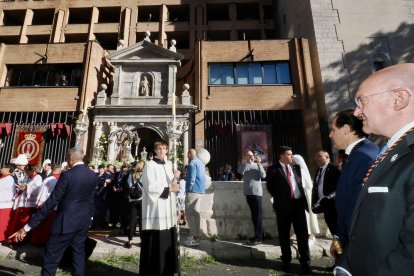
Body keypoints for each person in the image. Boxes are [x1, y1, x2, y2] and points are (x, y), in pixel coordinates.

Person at [333, 63, 414, 276]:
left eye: (362, 101)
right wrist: (346, 264)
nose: (357, 112)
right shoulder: (393, 149)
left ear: (399, 99)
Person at [9, 148, 97, 276]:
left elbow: (52, 202)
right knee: (78, 257)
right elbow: (91, 199)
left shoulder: (68, 175)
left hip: (64, 223)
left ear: (71, 159)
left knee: (51, 259)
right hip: (82, 222)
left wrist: (28, 226)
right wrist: (90, 219)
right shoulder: (92, 174)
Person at [329, 109, 378, 259]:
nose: (330, 135)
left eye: (333, 129)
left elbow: (357, 207)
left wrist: (340, 241)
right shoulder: (357, 154)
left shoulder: (363, 157)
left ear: (346, 129)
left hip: (359, 244)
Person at [265, 146, 312, 275]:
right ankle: (286, 262)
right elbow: (270, 188)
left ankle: (306, 264)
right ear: (281, 156)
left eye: (292, 154)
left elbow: (301, 184)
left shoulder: (296, 168)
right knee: (284, 236)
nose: (292, 157)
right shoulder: (273, 170)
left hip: (298, 205)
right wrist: (282, 199)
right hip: (283, 207)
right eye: (289, 154)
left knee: (302, 236)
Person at [140, 141, 180, 276]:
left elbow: (172, 184)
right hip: (155, 209)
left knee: (167, 238)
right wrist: (169, 189)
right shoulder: (150, 166)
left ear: (167, 150)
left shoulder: (169, 165)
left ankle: (167, 271)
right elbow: (149, 187)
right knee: (156, 241)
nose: (162, 151)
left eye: (164, 148)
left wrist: (175, 179)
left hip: (167, 210)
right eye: (159, 149)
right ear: (155, 151)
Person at [237, 149, 266, 246]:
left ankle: (258, 238)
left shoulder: (257, 165)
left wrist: (259, 164)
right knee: (254, 216)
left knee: (258, 216)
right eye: (248, 155)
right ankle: (260, 235)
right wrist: (247, 162)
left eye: (251, 155)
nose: (250, 157)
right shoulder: (244, 165)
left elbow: (263, 175)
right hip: (248, 193)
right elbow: (240, 172)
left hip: (257, 194)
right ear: (245, 156)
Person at [312, 150, 341, 237]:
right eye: (316, 156)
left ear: (327, 157)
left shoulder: (334, 169)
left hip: (334, 205)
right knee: (333, 230)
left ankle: (342, 249)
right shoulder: (318, 170)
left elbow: (339, 187)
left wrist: (328, 198)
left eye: (320, 156)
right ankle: (338, 249)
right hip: (326, 206)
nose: (317, 158)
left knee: (337, 230)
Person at [293, 154, 320, 246]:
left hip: (305, 198)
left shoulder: (301, 171)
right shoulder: (295, 170)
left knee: (307, 217)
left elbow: (304, 185)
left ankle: (310, 235)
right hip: (300, 198)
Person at [31, 164, 61, 244]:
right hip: (56, 206)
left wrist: (38, 203)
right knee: (48, 226)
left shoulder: (48, 179)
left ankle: (38, 240)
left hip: (46, 204)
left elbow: (41, 192)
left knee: (42, 224)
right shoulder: (61, 180)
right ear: (60, 170)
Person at [184, 148, 206, 247]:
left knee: (189, 213)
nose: (187, 156)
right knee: (196, 213)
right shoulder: (201, 163)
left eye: (188, 154)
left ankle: (194, 237)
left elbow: (192, 178)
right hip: (200, 190)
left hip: (193, 191)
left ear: (189, 155)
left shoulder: (192, 163)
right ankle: (197, 237)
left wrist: (188, 189)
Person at [124, 160, 144, 249]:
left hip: (132, 200)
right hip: (142, 200)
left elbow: (128, 187)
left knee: (132, 221)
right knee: (142, 221)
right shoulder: (144, 175)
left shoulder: (131, 175)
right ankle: (142, 241)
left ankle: (130, 241)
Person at [0, 163, 16, 242]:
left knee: (2, 222)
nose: (1, 169)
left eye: (2, 167)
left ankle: (1, 238)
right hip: (2, 204)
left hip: (5, 205)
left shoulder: (9, 179)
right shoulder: (3, 178)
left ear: (7, 169)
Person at [92, 164, 110, 229]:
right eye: (99, 168)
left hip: (102, 195)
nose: (100, 170)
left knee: (101, 210)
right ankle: (95, 224)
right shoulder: (96, 175)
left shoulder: (106, 175)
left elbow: (105, 184)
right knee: (95, 210)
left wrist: (100, 184)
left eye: (101, 168)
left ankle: (101, 224)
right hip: (95, 194)